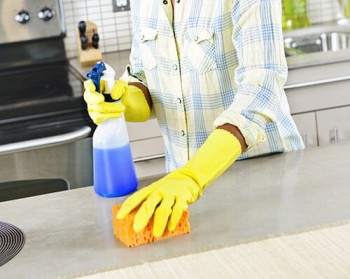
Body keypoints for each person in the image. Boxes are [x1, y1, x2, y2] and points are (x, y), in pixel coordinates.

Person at [83, 0, 304, 238]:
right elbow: (144, 76)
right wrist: (123, 99)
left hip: (264, 185)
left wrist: (193, 175)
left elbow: (260, 89)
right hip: (180, 193)